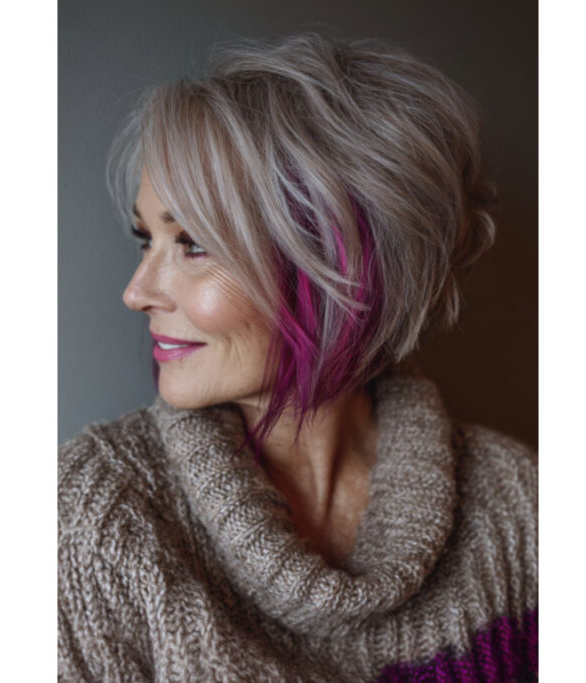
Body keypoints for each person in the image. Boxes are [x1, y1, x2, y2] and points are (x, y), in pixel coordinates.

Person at [59, 32, 537, 682]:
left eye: (193, 243)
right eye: (148, 241)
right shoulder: (95, 518)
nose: (137, 291)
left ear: (339, 267)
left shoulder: (518, 509)